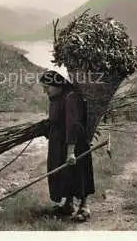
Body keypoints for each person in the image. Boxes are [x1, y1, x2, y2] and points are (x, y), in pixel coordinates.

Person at [39, 70, 95, 222]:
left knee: (78, 173)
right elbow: (56, 120)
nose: (45, 90)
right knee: (65, 173)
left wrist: (71, 151)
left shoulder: (71, 97)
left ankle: (84, 206)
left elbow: (73, 124)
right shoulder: (56, 98)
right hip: (59, 144)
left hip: (74, 143)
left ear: (57, 84)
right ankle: (69, 204)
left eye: (47, 86)